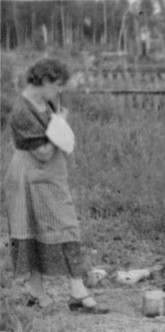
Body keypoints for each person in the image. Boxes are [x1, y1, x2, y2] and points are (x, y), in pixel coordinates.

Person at [4, 58, 109, 313]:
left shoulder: (48, 101)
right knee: (29, 229)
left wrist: (57, 125)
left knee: (66, 227)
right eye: (58, 85)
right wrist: (58, 125)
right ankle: (36, 290)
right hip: (29, 174)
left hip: (49, 175)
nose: (60, 91)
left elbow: (55, 139)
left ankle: (76, 290)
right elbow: (42, 152)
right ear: (45, 81)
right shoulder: (22, 111)